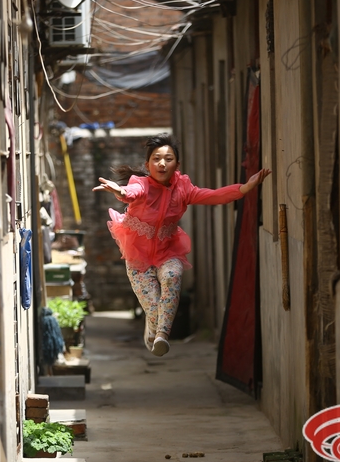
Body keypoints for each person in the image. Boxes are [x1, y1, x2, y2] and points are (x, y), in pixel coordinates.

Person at [93, 133, 271, 357]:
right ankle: (153, 326)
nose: (162, 163)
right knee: (155, 309)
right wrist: (118, 190)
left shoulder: (183, 189)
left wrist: (245, 188)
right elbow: (130, 193)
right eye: (156, 159)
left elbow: (213, 196)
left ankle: (162, 337)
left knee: (172, 275)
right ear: (148, 165)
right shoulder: (141, 184)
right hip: (138, 257)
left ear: (177, 164)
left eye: (168, 158)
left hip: (168, 251)